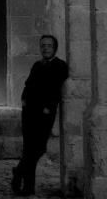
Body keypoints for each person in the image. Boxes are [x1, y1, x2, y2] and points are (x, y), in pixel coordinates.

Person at [12, 34, 69, 196]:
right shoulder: (37, 65)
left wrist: (49, 108)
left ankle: (18, 171)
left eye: (49, 45)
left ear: (55, 48)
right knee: (28, 150)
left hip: (44, 114)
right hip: (29, 113)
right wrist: (23, 100)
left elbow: (56, 88)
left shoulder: (60, 66)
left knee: (39, 148)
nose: (45, 48)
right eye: (43, 45)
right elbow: (28, 84)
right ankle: (28, 187)